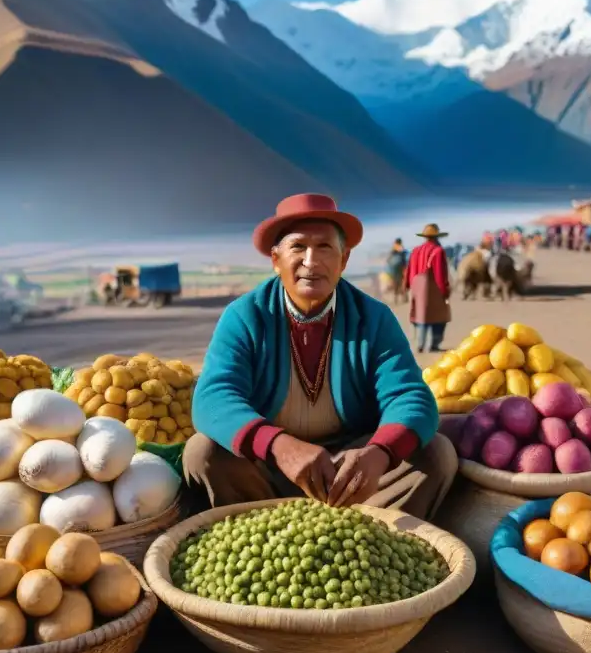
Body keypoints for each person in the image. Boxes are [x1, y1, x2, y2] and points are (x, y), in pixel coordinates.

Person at [184, 194, 457, 520]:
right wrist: (279, 446)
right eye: (298, 247)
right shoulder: (245, 316)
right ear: (275, 259)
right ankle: (260, 531)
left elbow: (410, 396)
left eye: (325, 247)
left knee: (436, 453)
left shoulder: (374, 318)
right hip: (270, 471)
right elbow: (213, 398)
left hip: (352, 474)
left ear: (343, 260)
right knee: (203, 452)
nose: (311, 261)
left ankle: (371, 535)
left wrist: (379, 452)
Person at [405, 223, 452, 353]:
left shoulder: (415, 250)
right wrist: (445, 291)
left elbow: (408, 271)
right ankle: (434, 345)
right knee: (439, 317)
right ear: (437, 237)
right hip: (433, 289)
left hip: (416, 287)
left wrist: (407, 285)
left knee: (420, 315)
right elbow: (440, 275)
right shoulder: (438, 251)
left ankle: (420, 344)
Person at [384, 238, 408, 304]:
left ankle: (396, 298)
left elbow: (388, 259)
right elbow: (405, 257)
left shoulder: (393, 248)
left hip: (393, 269)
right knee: (402, 282)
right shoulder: (401, 247)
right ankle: (404, 297)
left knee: (395, 283)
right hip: (400, 267)